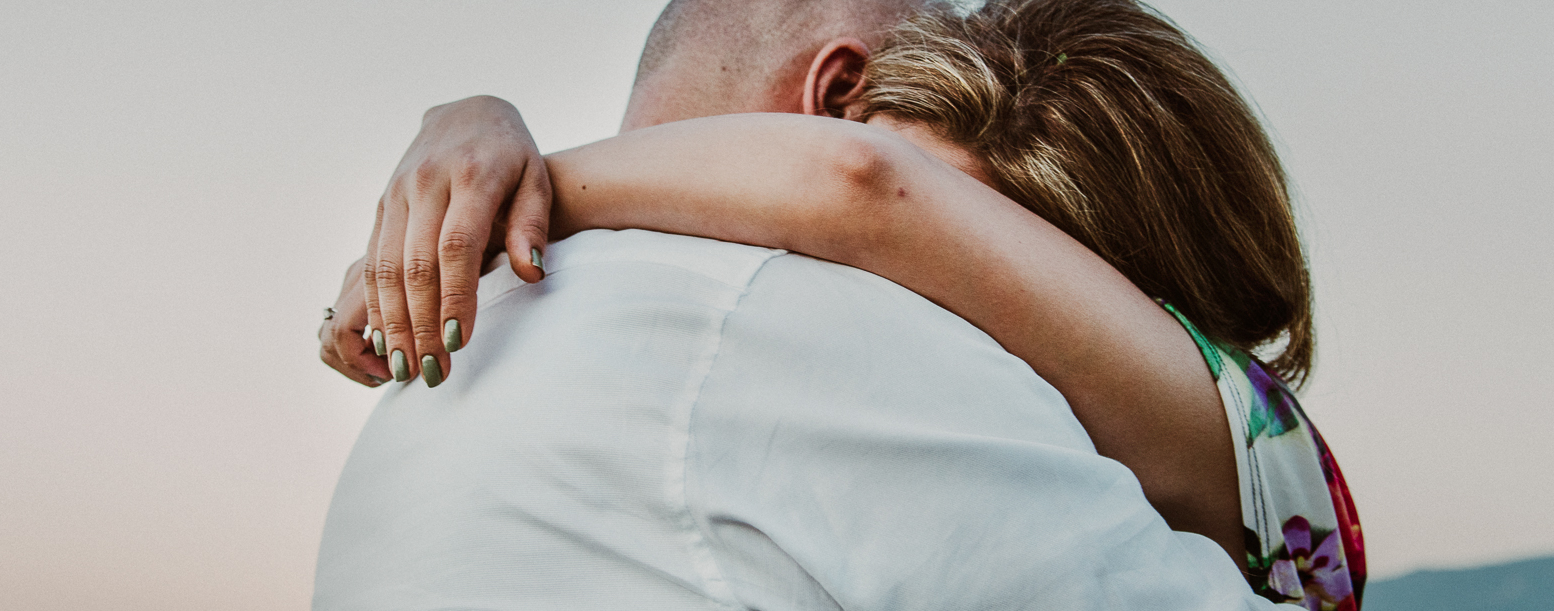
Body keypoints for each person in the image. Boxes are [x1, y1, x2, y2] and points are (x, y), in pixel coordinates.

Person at [318, 0, 1359, 608]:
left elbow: (861, 189)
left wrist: (518, 167)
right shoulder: (795, 320)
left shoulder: (474, 349)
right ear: (835, 96)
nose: (958, 291)